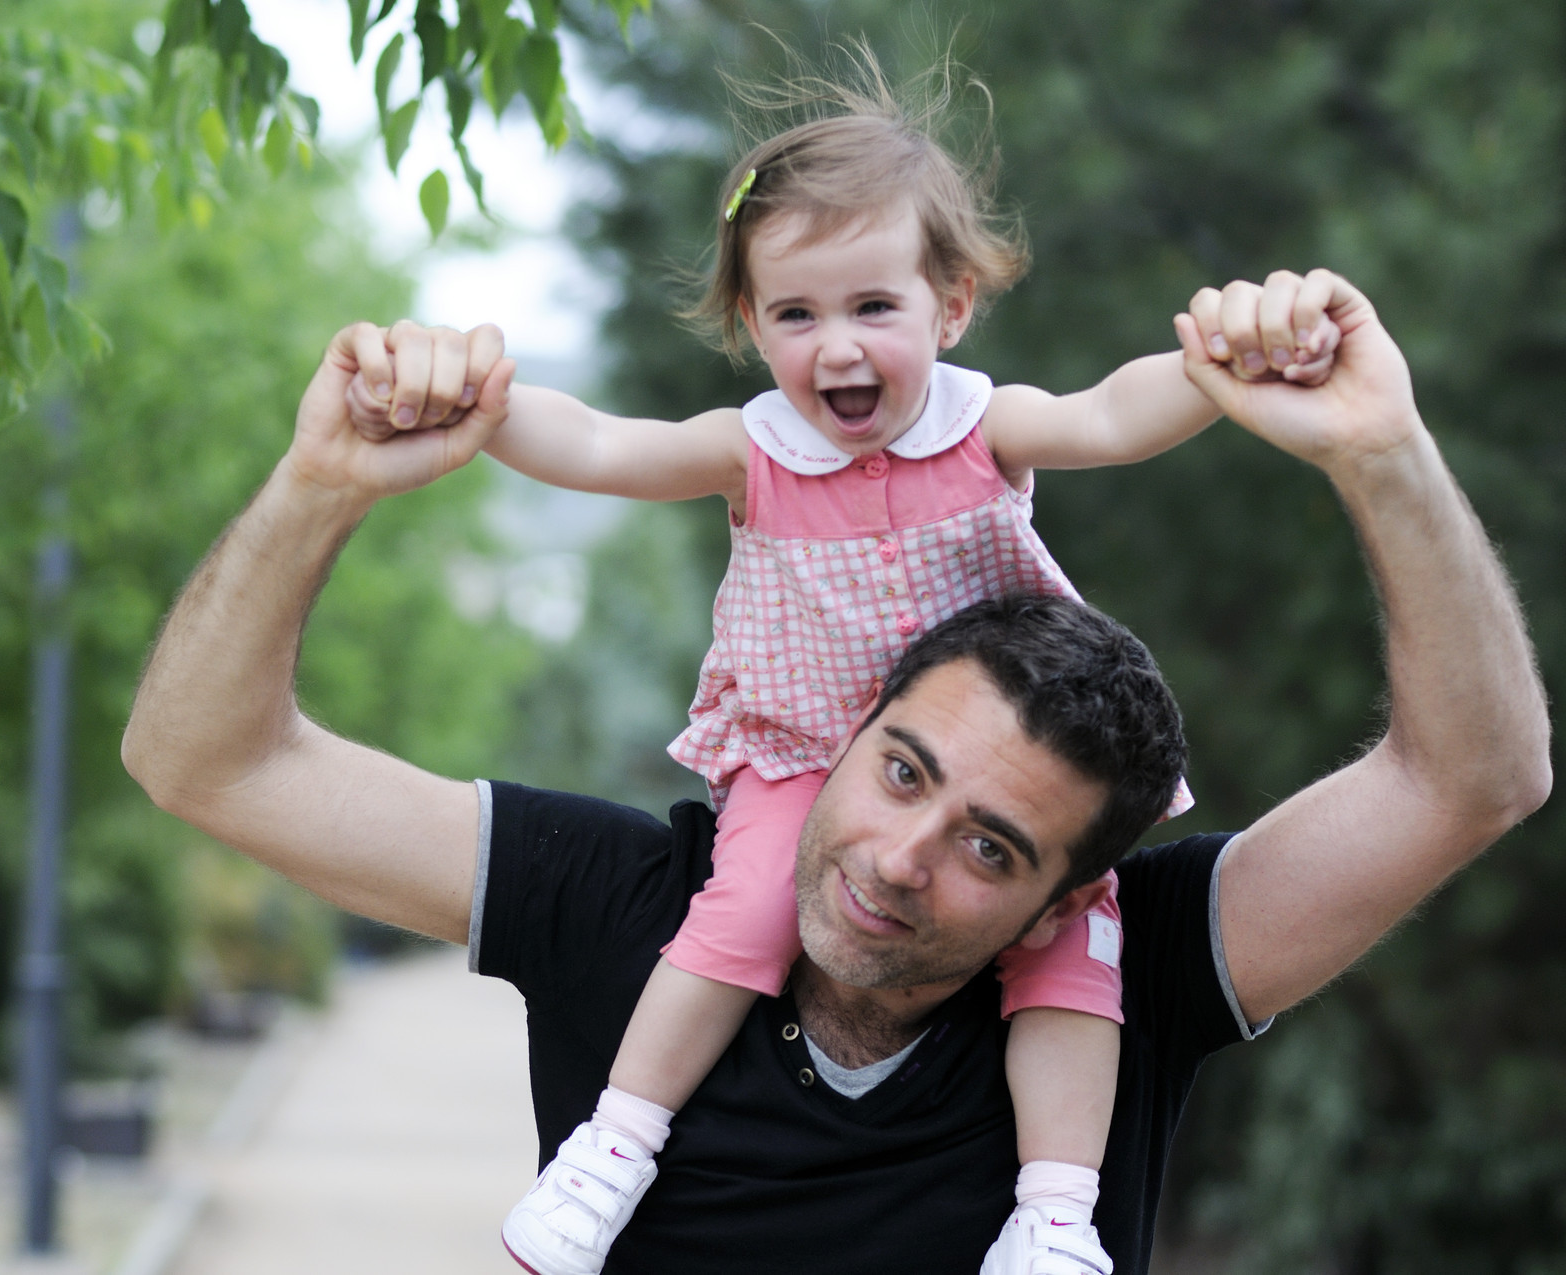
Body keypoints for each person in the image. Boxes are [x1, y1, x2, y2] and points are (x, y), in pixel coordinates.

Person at [120, 267, 1548, 1275]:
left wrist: (1384, 454)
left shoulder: (1140, 961)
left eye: (994, 846)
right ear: (849, 725)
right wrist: (322, 485)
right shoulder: (625, 897)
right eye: (904, 767)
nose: (899, 853)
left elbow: (1472, 774)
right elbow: (203, 758)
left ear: (1065, 901)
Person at [343, 93, 1338, 1275]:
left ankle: (1057, 1212)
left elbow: (1114, 415)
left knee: (1077, 947)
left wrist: (1228, 362)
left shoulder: (985, 428)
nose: (839, 345)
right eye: (796, 314)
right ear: (755, 328)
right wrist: (477, 402)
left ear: (951, 306)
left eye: (875, 305)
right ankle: (615, 1147)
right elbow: (602, 446)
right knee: (749, 904)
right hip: (811, 753)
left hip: (980, 759)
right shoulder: (754, 450)